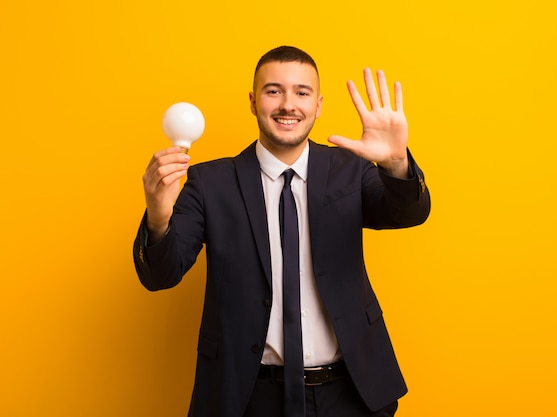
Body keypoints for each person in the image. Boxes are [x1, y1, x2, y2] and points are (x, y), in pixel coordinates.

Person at [133, 45, 430, 417]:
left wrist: (396, 163)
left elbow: (408, 212)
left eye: (302, 93)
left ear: (318, 105)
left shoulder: (350, 169)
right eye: (274, 91)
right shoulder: (210, 183)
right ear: (254, 101)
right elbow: (161, 273)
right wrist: (158, 217)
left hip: (351, 394)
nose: (288, 104)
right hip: (247, 397)